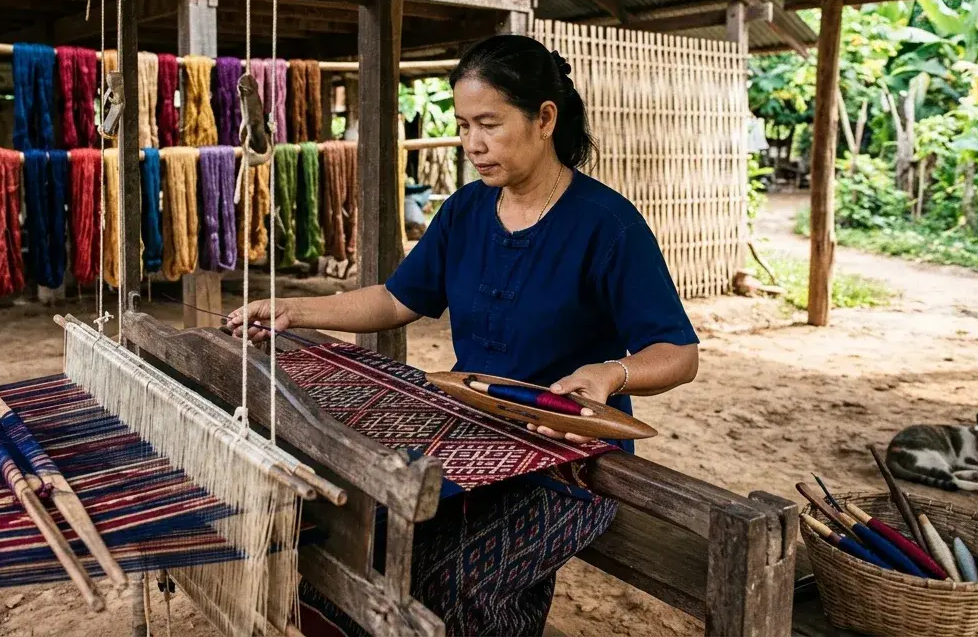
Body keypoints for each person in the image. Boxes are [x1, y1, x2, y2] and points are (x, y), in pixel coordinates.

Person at [226, 35, 699, 635]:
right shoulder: (466, 212)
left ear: (545, 118)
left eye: (490, 124)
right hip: (470, 437)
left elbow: (679, 354)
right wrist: (296, 308)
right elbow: (398, 299)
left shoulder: (607, 226)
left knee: (456, 582)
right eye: (463, 124)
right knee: (360, 533)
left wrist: (611, 374)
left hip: (567, 464)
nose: (472, 143)